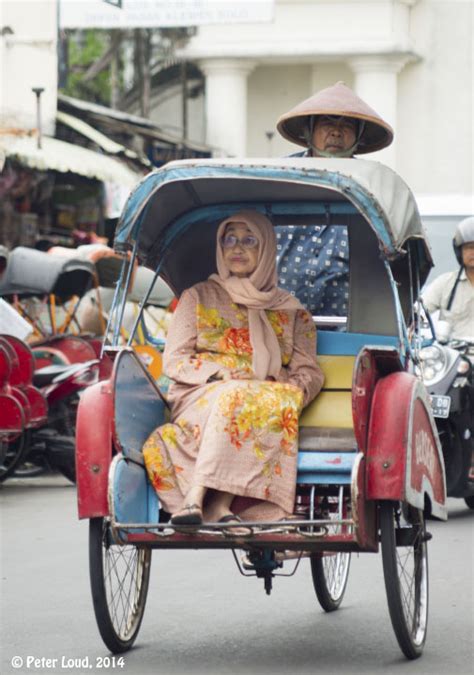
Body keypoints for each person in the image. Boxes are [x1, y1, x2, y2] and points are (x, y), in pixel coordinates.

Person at [142, 210, 324, 533]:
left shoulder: (293, 312)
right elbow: (175, 360)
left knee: (255, 398)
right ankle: (202, 501)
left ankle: (207, 502)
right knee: (237, 395)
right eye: (230, 239)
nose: (237, 248)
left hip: (265, 399)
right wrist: (218, 374)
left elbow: (309, 371)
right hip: (202, 395)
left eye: (249, 240)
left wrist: (291, 390)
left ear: (266, 249)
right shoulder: (197, 297)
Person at [274, 81, 393, 316]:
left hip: (348, 319)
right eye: (327, 123)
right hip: (280, 317)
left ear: (359, 137)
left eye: (346, 125)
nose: (336, 131)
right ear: (308, 131)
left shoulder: (374, 184)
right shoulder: (280, 176)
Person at [423, 216, 474, 339]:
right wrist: (415, 319)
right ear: (459, 251)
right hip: (452, 355)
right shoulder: (445, 283)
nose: (473, 252)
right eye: (469, 247)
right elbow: (420, 311)